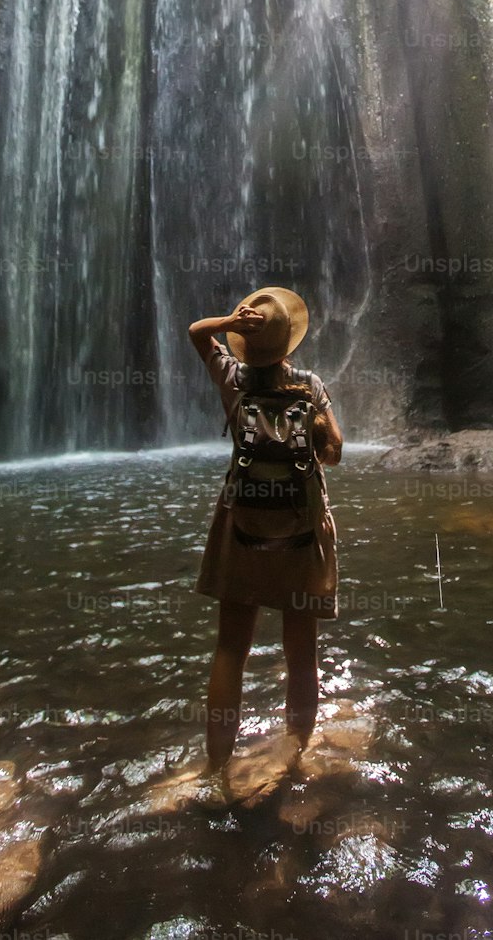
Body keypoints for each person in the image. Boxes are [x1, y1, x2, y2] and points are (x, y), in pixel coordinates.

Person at [189, 286, 344, 777]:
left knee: (230, 648)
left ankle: (216, 767)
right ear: (288, 343)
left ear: (246, 341)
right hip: (300, 531)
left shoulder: (232, 377)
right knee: (302, 654)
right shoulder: (310, 384)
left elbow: (196, 332)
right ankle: (297, 754)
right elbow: (335, 450)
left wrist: (229, 323)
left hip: (244, 528)